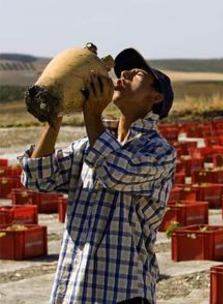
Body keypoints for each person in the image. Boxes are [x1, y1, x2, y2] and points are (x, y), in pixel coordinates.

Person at [18, 48, 177, 304]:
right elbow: (39, 177)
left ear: (155, 97)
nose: (122, 74)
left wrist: (92, 114)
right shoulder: (88, 145)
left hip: (123, 292)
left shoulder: (160, 152)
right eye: (123, 71)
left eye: (136, 74)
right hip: (76, 287)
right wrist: (54, 115)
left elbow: (117, 172)